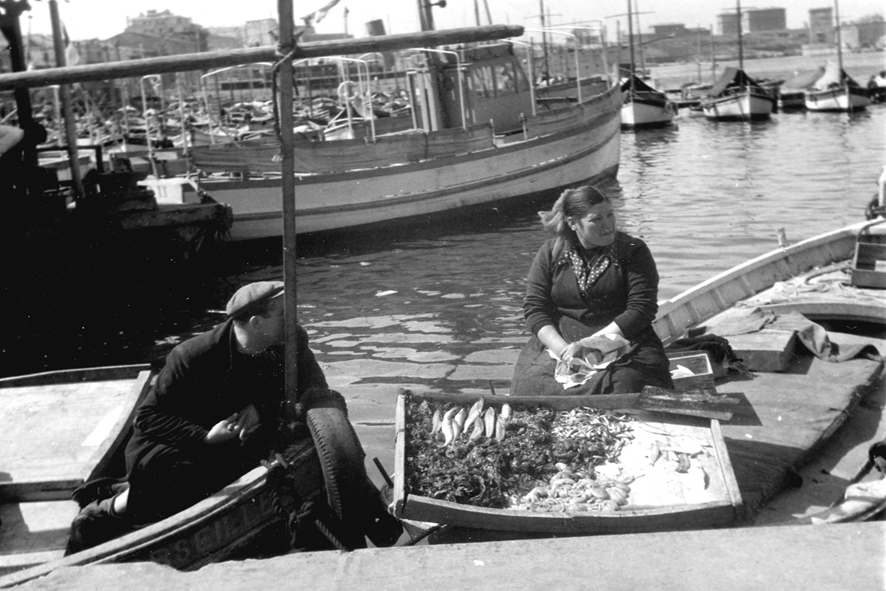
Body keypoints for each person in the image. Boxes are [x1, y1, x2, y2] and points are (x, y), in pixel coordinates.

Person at [67, 280, 401, 553]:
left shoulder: (290, 340)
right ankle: (109, 508)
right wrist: (205, 437)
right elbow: (149, 418)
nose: (292, 318)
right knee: (173, 483)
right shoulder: (192, 356)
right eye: (282, 314)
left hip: (241, 437)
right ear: (257, 323)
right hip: (179, 441)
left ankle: (376, 518)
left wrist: (263, 407)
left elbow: (316, 389)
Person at [510, 185, 674, 396]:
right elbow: (535, 309)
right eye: (596, 219)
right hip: (562, 344)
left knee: (626, 386)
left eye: (610, 215)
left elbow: (641, 309)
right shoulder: (550, 253)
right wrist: (564, 352)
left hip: (625, 341)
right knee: (530, 387)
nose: (608, 225)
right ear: (573, 223)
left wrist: (590, 345)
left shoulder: (634, 250)